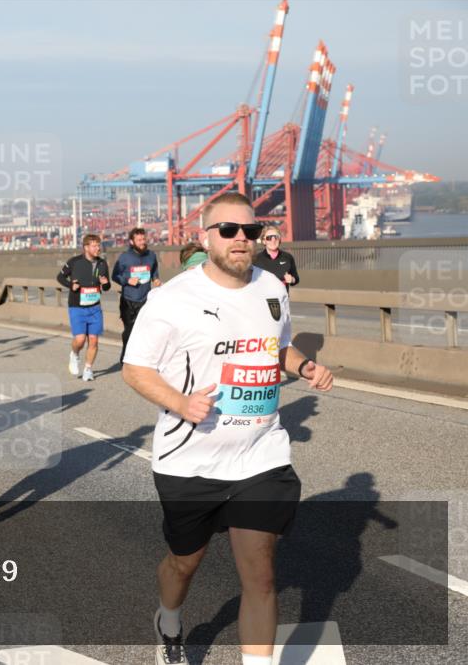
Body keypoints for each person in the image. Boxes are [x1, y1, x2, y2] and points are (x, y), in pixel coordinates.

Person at [121, 192, 334, 665]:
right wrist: (179, 402)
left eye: (251, 231)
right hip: (189, 460)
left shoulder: (272, 289)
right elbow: (135, 368)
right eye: (229, 231)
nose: (242, 239)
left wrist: (303, 368)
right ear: (206, 238)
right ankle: (170, 618)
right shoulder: (171, 299)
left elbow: (277, 348)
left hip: (261, 454)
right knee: (184, 562)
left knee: (260, 575)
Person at [56, 234, 110, 381]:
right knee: (80, 340)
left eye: (99, 245)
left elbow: (107, 287)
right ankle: (74, 354)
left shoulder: (102, 264)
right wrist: (70, 285)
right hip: (77, 306)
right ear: (86, 247)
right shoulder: (74, 262)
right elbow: (60, 277)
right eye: (94, 245)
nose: (98, 248)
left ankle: (88, 369)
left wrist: (105, 283)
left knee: (93, 340)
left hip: (95, 308)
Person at [112, 227, 161, 363]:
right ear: (132, 242)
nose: (142, 242)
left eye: (144, 239)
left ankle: (141, 358)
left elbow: (154, 271)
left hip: (145, 299)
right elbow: (114, 275)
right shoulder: (124, 258)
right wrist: (127, 280)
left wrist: (156, 279)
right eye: (139, 240)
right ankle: (126, 354)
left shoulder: (151, 255)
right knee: (129, 329)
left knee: (145, 330)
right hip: (128, 300)